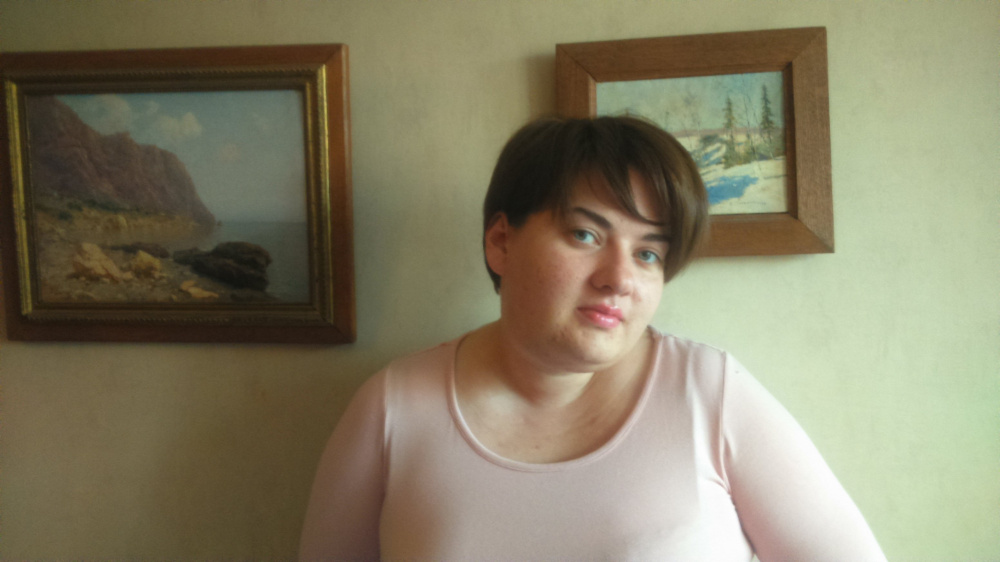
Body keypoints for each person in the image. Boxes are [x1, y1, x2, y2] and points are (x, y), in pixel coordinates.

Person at [299, 116, 886, 561]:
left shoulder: (711, 393)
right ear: (501, 242)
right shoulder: (392, 407)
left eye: (649, 253)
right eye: (585, 234)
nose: (619, 279)